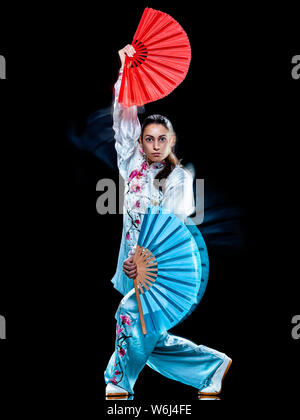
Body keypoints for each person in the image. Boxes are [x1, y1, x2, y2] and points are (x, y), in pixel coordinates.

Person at [104, 44, 232, 398]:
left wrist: (142, 261)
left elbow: (174, 231)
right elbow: (123, 117)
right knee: (149, 337)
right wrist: (125, 73)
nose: (155, 145)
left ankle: (116, 382)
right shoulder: (130, 165)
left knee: (129, 314)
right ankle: (212, 366)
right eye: (149, 139)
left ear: (171, 141)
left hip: (163, 265)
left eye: (162, 139)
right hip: (130, 258)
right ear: (141, 143)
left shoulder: (179, 179)